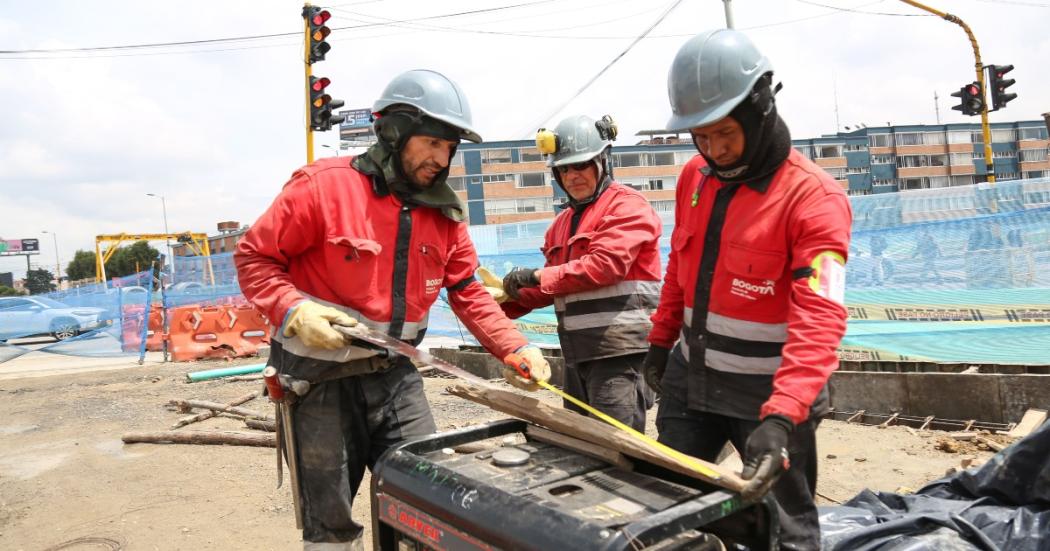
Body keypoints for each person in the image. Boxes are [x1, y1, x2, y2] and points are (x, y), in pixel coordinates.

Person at [235, 69, 552, 551]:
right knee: (330, 520)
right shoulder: (323, 188)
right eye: (431, 143)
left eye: (450, 147)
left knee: (425, 496)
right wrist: (292, 309)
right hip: (316, 379)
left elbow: (467, 289)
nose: (442, 158)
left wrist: (515, 347)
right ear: (393, 130)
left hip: (396, 374)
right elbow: (254, 257)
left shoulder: (444, 215)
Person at [642, 30, 852, 550]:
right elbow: (681, 266)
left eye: (725, 135)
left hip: (768, 396)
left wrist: (782, 417)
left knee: (784, 528)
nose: (714, 151)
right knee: (669, 504)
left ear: (760, 108)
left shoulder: (815, 200)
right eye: (701, 137)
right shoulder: (696, 177)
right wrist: (660, 340)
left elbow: (821, 320)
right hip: (693, 381)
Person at [489, 114, 662, 431]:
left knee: (616, 449)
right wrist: (501, 301)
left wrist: (535, 276)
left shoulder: (627, 206)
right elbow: (557, 285)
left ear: (602, 161)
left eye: (581, 165)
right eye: (564, 168)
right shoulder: (560, 224)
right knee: (584, 444)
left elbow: (605, 266)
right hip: (577, 355)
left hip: (619, 354)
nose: (572, 175)